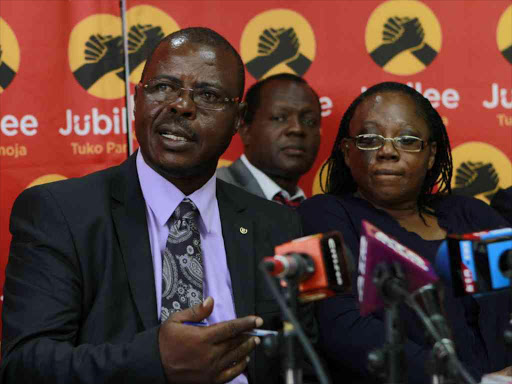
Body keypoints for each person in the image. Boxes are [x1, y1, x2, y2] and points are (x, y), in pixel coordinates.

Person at [0, 27, 310, 384]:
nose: (181, 105)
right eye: (163, 87)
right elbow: (25, 366)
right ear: (136, 100)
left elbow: (301, 360)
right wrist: (154, 361)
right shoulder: (61, 214)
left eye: (208, 94)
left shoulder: (277, 225)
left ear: (238, 120)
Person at [298, 81, 512, 384]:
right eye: (370, 138)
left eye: (408, 139)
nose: (387, 150)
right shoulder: (318, 216)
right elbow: (339, 327)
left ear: (430, 154)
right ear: (347, 152)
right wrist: (468, 381)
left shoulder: (470, 215)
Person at [217, 73, 321, 207]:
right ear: (245, 130)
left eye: (310, 121)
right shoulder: (213, 191)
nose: (297, 129)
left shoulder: (317, 212)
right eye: (279, 118)